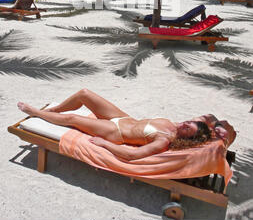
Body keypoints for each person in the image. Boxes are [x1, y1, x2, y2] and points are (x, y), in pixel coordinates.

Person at [17, 88, 229, 161]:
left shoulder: (164, 140)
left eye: (187, 128)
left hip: (115, 132)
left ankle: (35, 112)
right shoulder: (176, 125)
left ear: (186, 137)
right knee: (84, 94)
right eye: (188, 122)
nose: (184, 123)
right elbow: (209, 117)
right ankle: (54, 111)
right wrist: (218, 125)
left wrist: (104, 144)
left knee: (73, 120)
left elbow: (132, 155)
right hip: (122, 117)